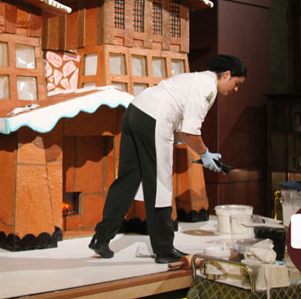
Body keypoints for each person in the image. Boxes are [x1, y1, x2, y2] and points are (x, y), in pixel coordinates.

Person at [89, 54, 247, 263]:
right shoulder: (208, 88)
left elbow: (183, 130)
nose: (236, 89)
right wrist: (205, 154)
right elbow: (191, 131)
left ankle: (101, 237)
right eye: (237, 84)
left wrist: (195, 147)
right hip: (154, 118)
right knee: (160, 183)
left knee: (128, 178)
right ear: (227, 75)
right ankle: (164, 250)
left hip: (136, 111)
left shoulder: (196, 79)